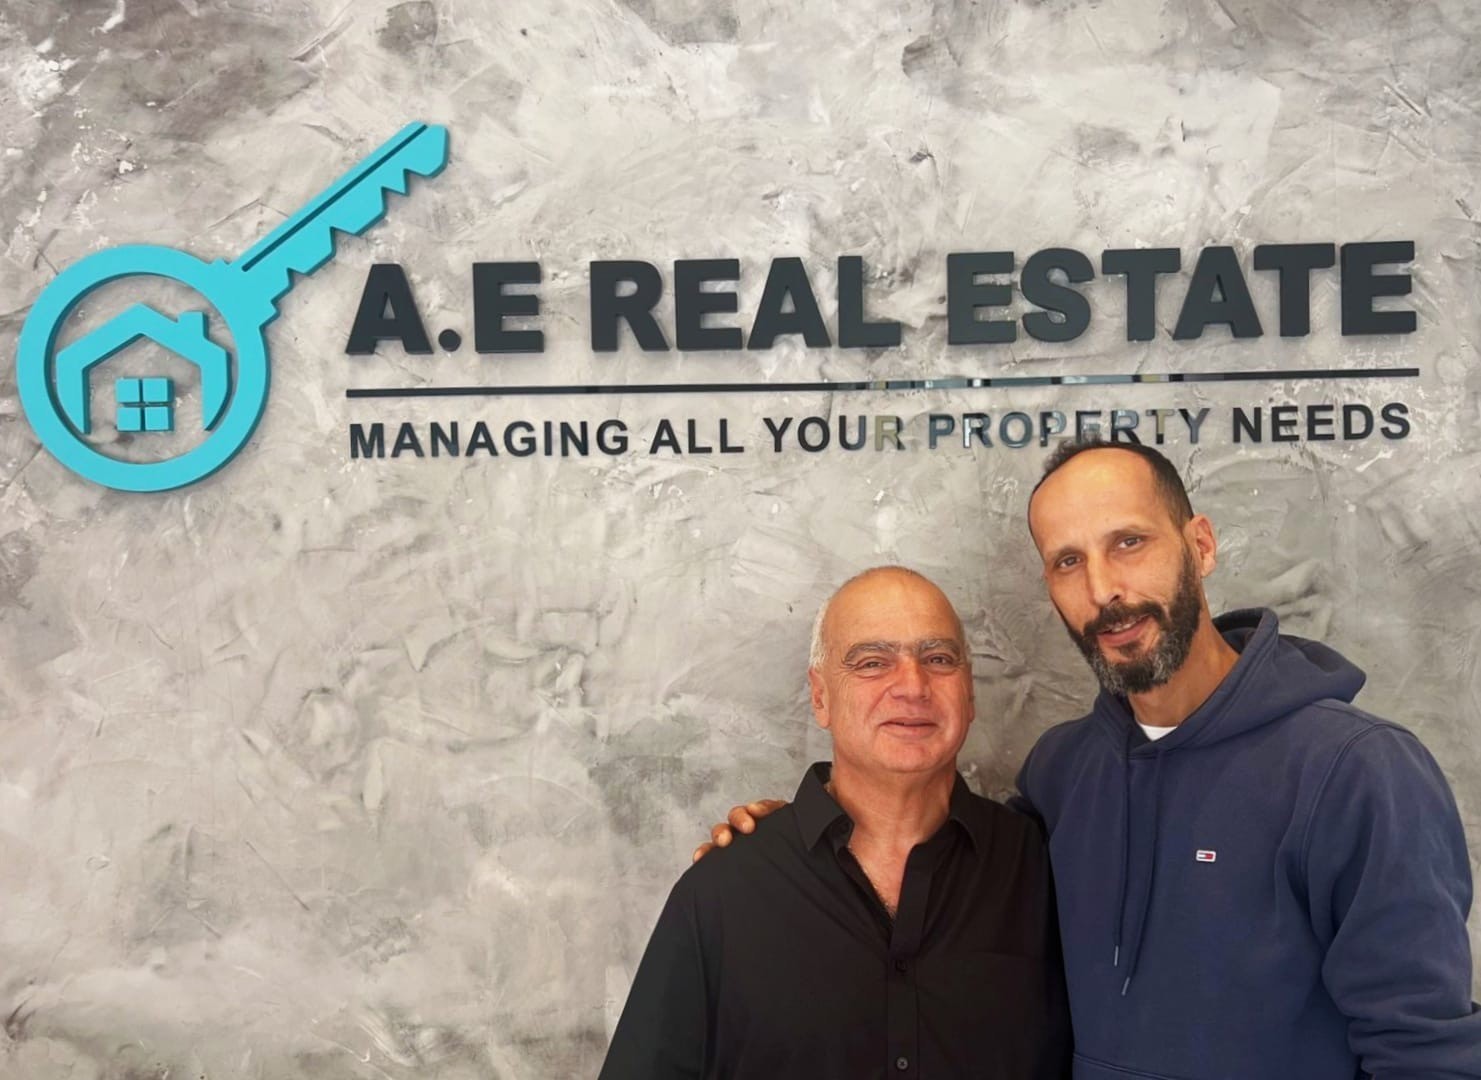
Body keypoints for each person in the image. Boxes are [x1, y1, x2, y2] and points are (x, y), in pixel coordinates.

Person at [702, 441, 1481, 1079]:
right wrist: (800, 842)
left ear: (1200, 545)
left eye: (1127, 543)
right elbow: (947, 873)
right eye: (1067, 561)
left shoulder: (1356, 772)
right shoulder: (1061, 773)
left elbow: (1425, 1054)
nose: (1103, 588)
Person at [600, 567, 1071, 1079]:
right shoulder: (722, 893)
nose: (913, 686)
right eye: (873, 662)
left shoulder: (1040, 868)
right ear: (820, 696)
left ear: (970, 694)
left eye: (938, 658)